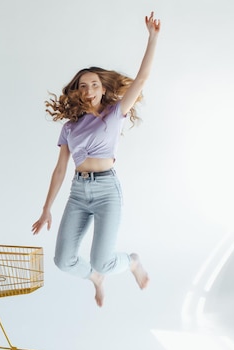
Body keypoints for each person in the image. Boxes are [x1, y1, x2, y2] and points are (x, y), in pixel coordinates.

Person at [31, 12, 161, 307]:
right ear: (77, 91)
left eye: (93, 84)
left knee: (104, 261)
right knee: (63, 261)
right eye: (82, 86)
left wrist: (152, 38)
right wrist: (46, 209)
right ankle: (95, 278)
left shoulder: (115, 114)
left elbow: (142, 78)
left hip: (106, 191)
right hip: (78, 193)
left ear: (103, 88)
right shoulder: (70, 127)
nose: (87, 90)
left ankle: (131, 262)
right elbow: (60, 169)